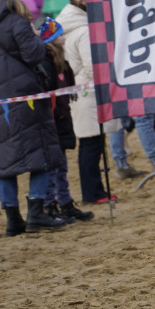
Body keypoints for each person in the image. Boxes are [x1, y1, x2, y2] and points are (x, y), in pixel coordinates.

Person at [0, 0, 66, 235]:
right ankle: (36, 212)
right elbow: (33, 55)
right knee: (43, 152)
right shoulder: (17, 19)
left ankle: (13, 220)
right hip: (26, 98)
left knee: (4, 162)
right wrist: (40, 41)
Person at [56, 0, 119, 204]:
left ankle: (95, 190)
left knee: (91, 144)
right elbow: (93, 66)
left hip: (80, 92)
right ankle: (93, 193)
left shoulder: (69, 28)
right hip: (89, 93)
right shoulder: (84, 31)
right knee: (92, 145)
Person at [37, 17, 92, 223]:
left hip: (62, 119)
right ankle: (49, 205)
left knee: (62, 166)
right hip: (52, 122)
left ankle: (66, 203)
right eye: (60, 34)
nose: (64, 37)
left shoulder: (63, 62)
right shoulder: (46, 63)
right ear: (51, 38)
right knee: (53, 166)